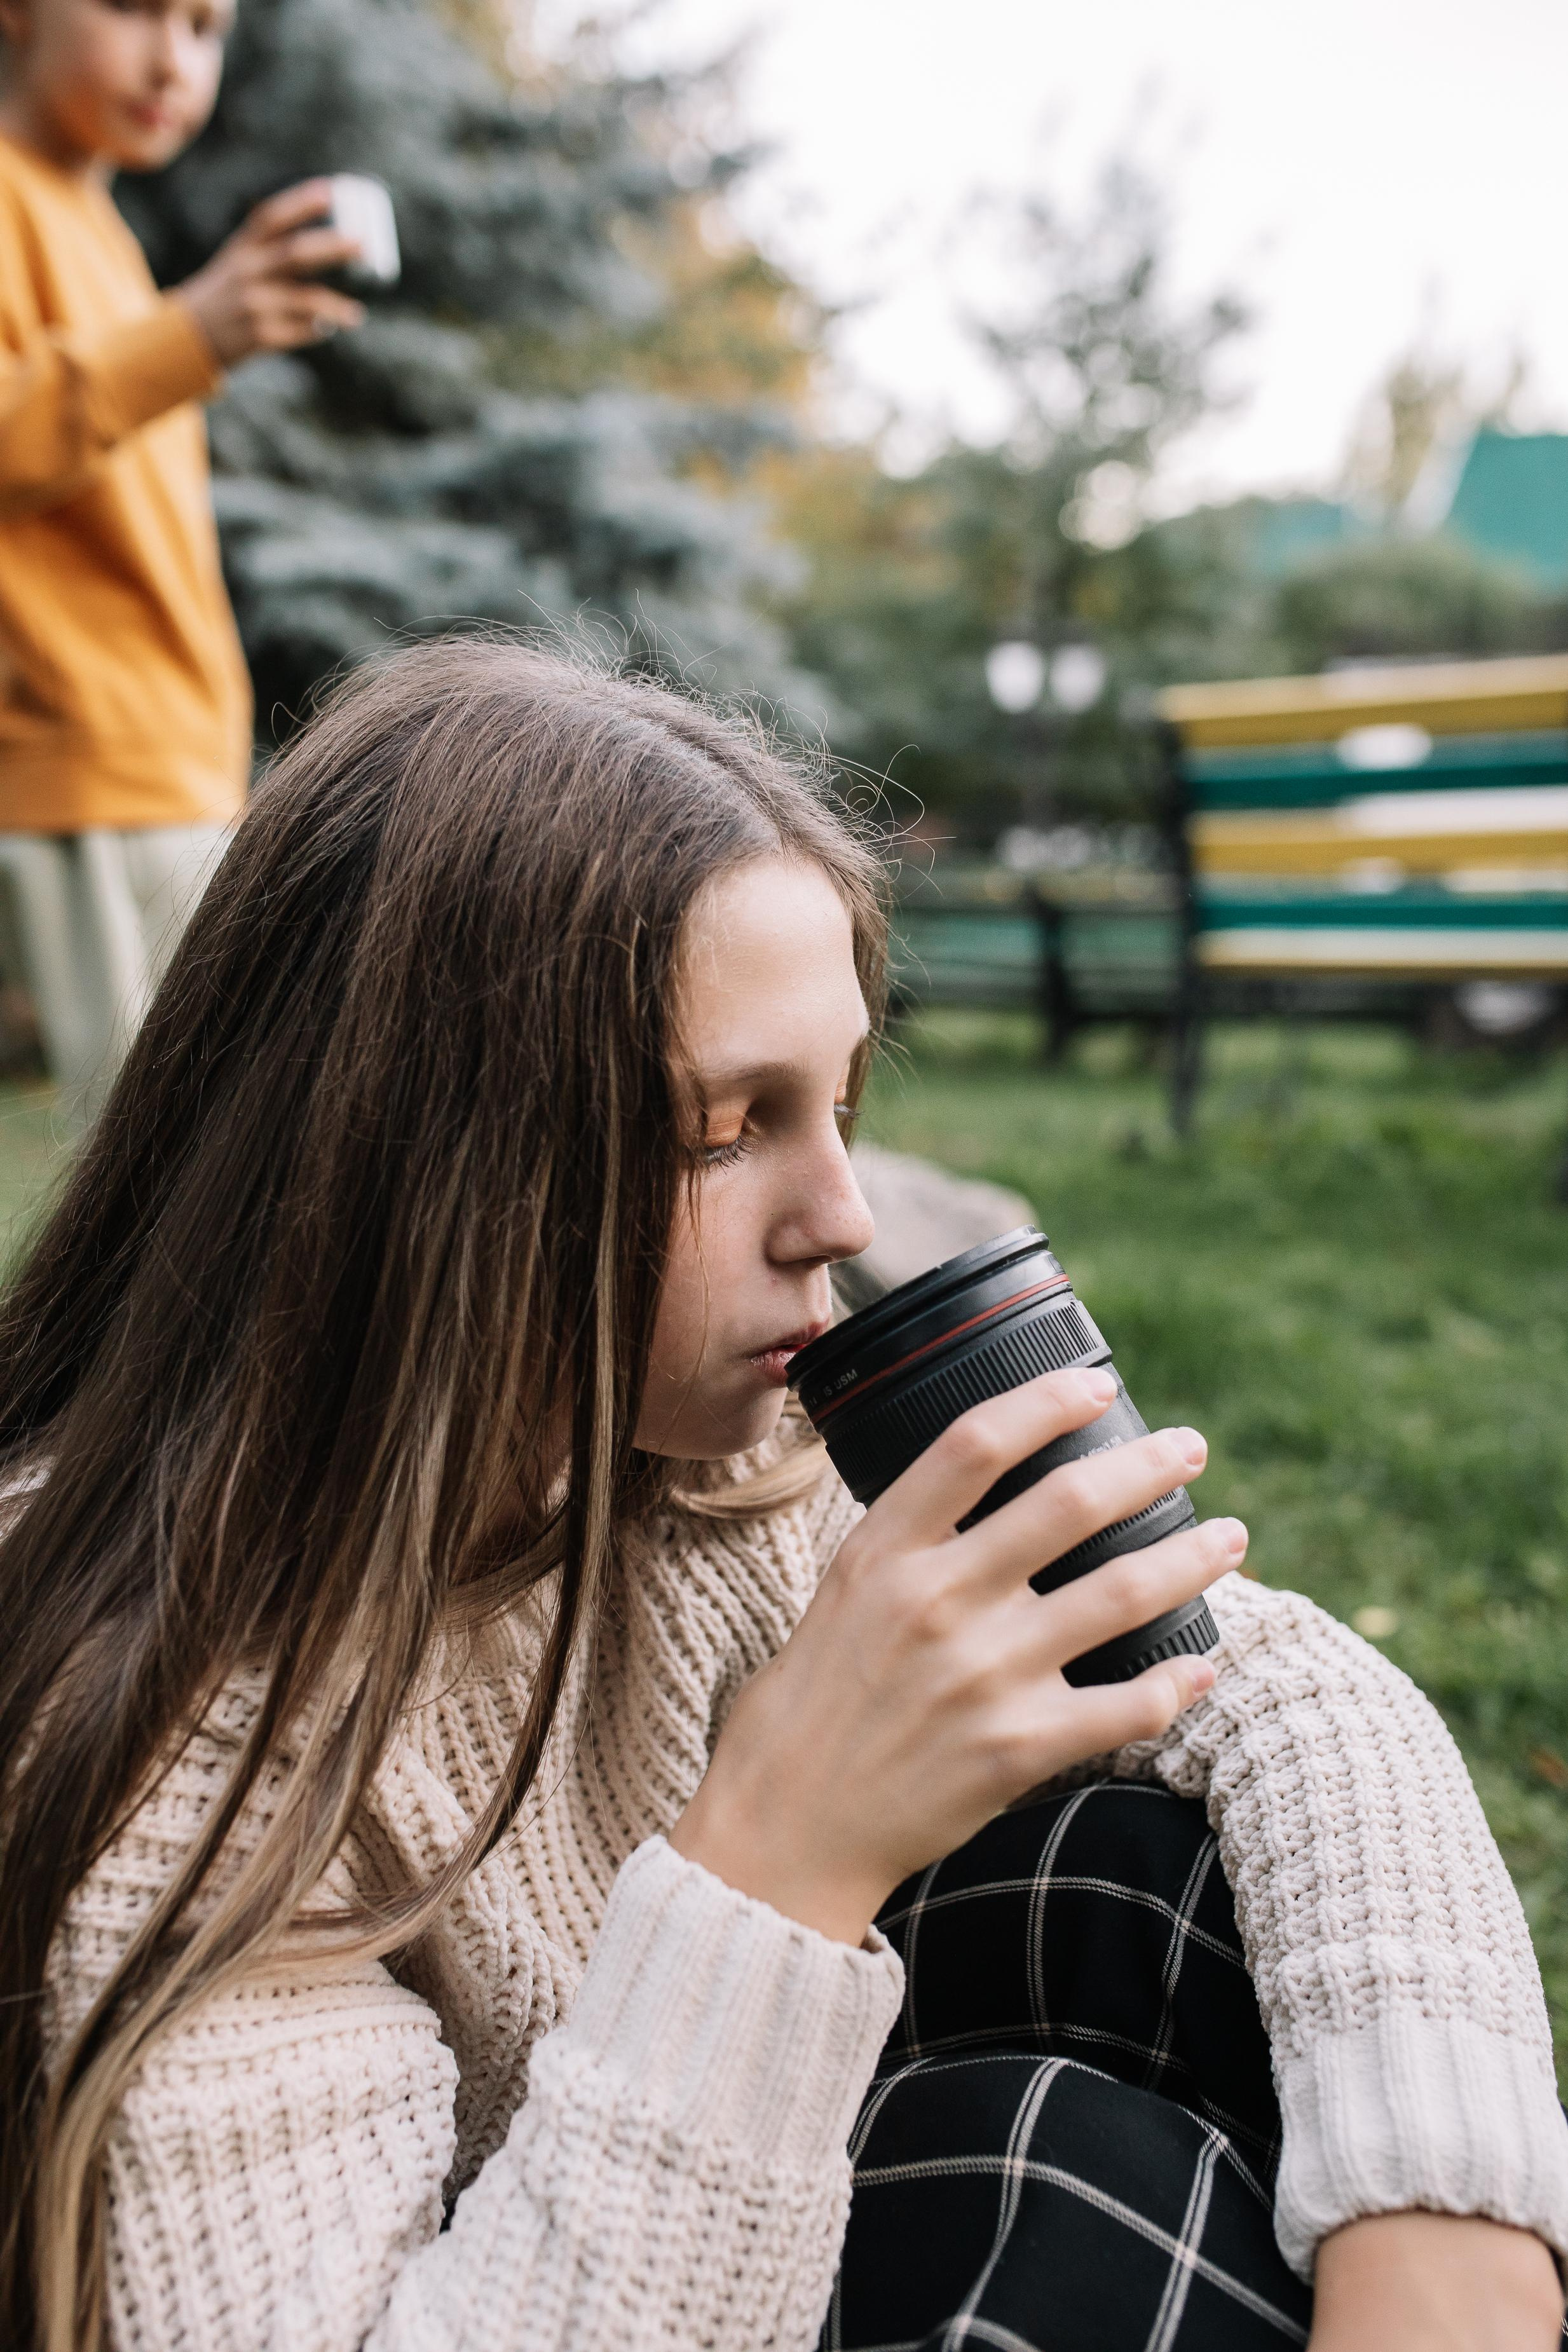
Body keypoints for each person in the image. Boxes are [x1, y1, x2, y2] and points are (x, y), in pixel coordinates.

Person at [0, 641, 1562, 2352]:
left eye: (835, 1099)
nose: (837, 1213)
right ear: (420, 1158)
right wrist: (777, 1863)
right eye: (722, 1125)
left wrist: (1445, 2223)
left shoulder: (725, 1465)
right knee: (1021, 2190)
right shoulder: (168, 1713)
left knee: (1140, 1874)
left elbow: (1263, 1685)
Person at [0, 0, 366, 1118]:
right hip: (89, 763)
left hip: (173, 761)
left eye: (207, 28)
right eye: (136, 8)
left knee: (227, 1153)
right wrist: (193, 332)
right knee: (172, 1178)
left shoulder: (97, 228)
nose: (174, 60)